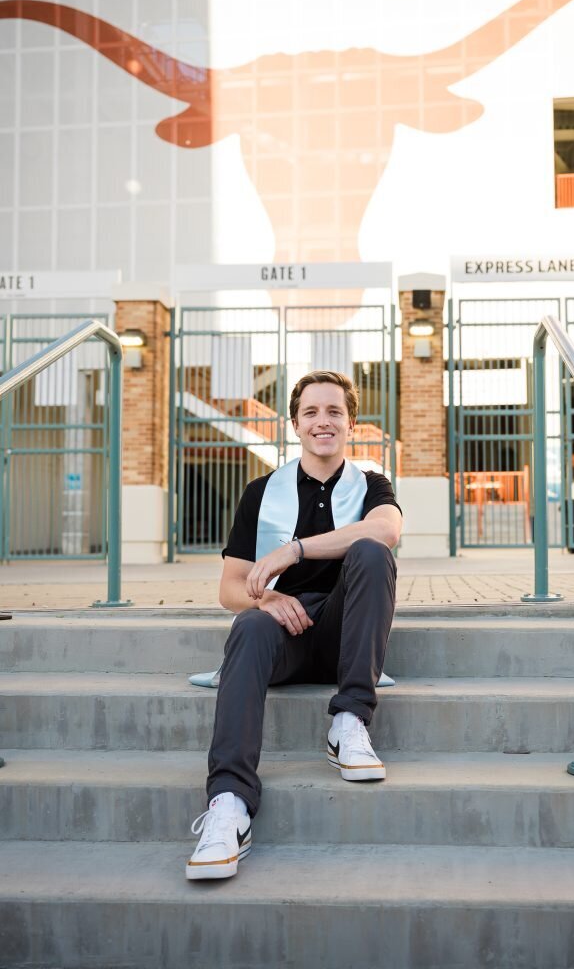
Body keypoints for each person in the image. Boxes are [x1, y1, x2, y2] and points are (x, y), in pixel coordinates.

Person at [186, 370, 403, 881]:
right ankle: (229, 806)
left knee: (371, 553)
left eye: (334, 412)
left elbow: (387, 530)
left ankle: (349, 720)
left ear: (352, 423)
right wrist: (269, 599)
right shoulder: (262, 491)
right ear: (295, 423)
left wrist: (296, 549)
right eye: (311, 412)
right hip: (282, 636)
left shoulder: (372, 484)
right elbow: (230, 588)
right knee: (248, 627)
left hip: (344, 636)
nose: (322, 422)